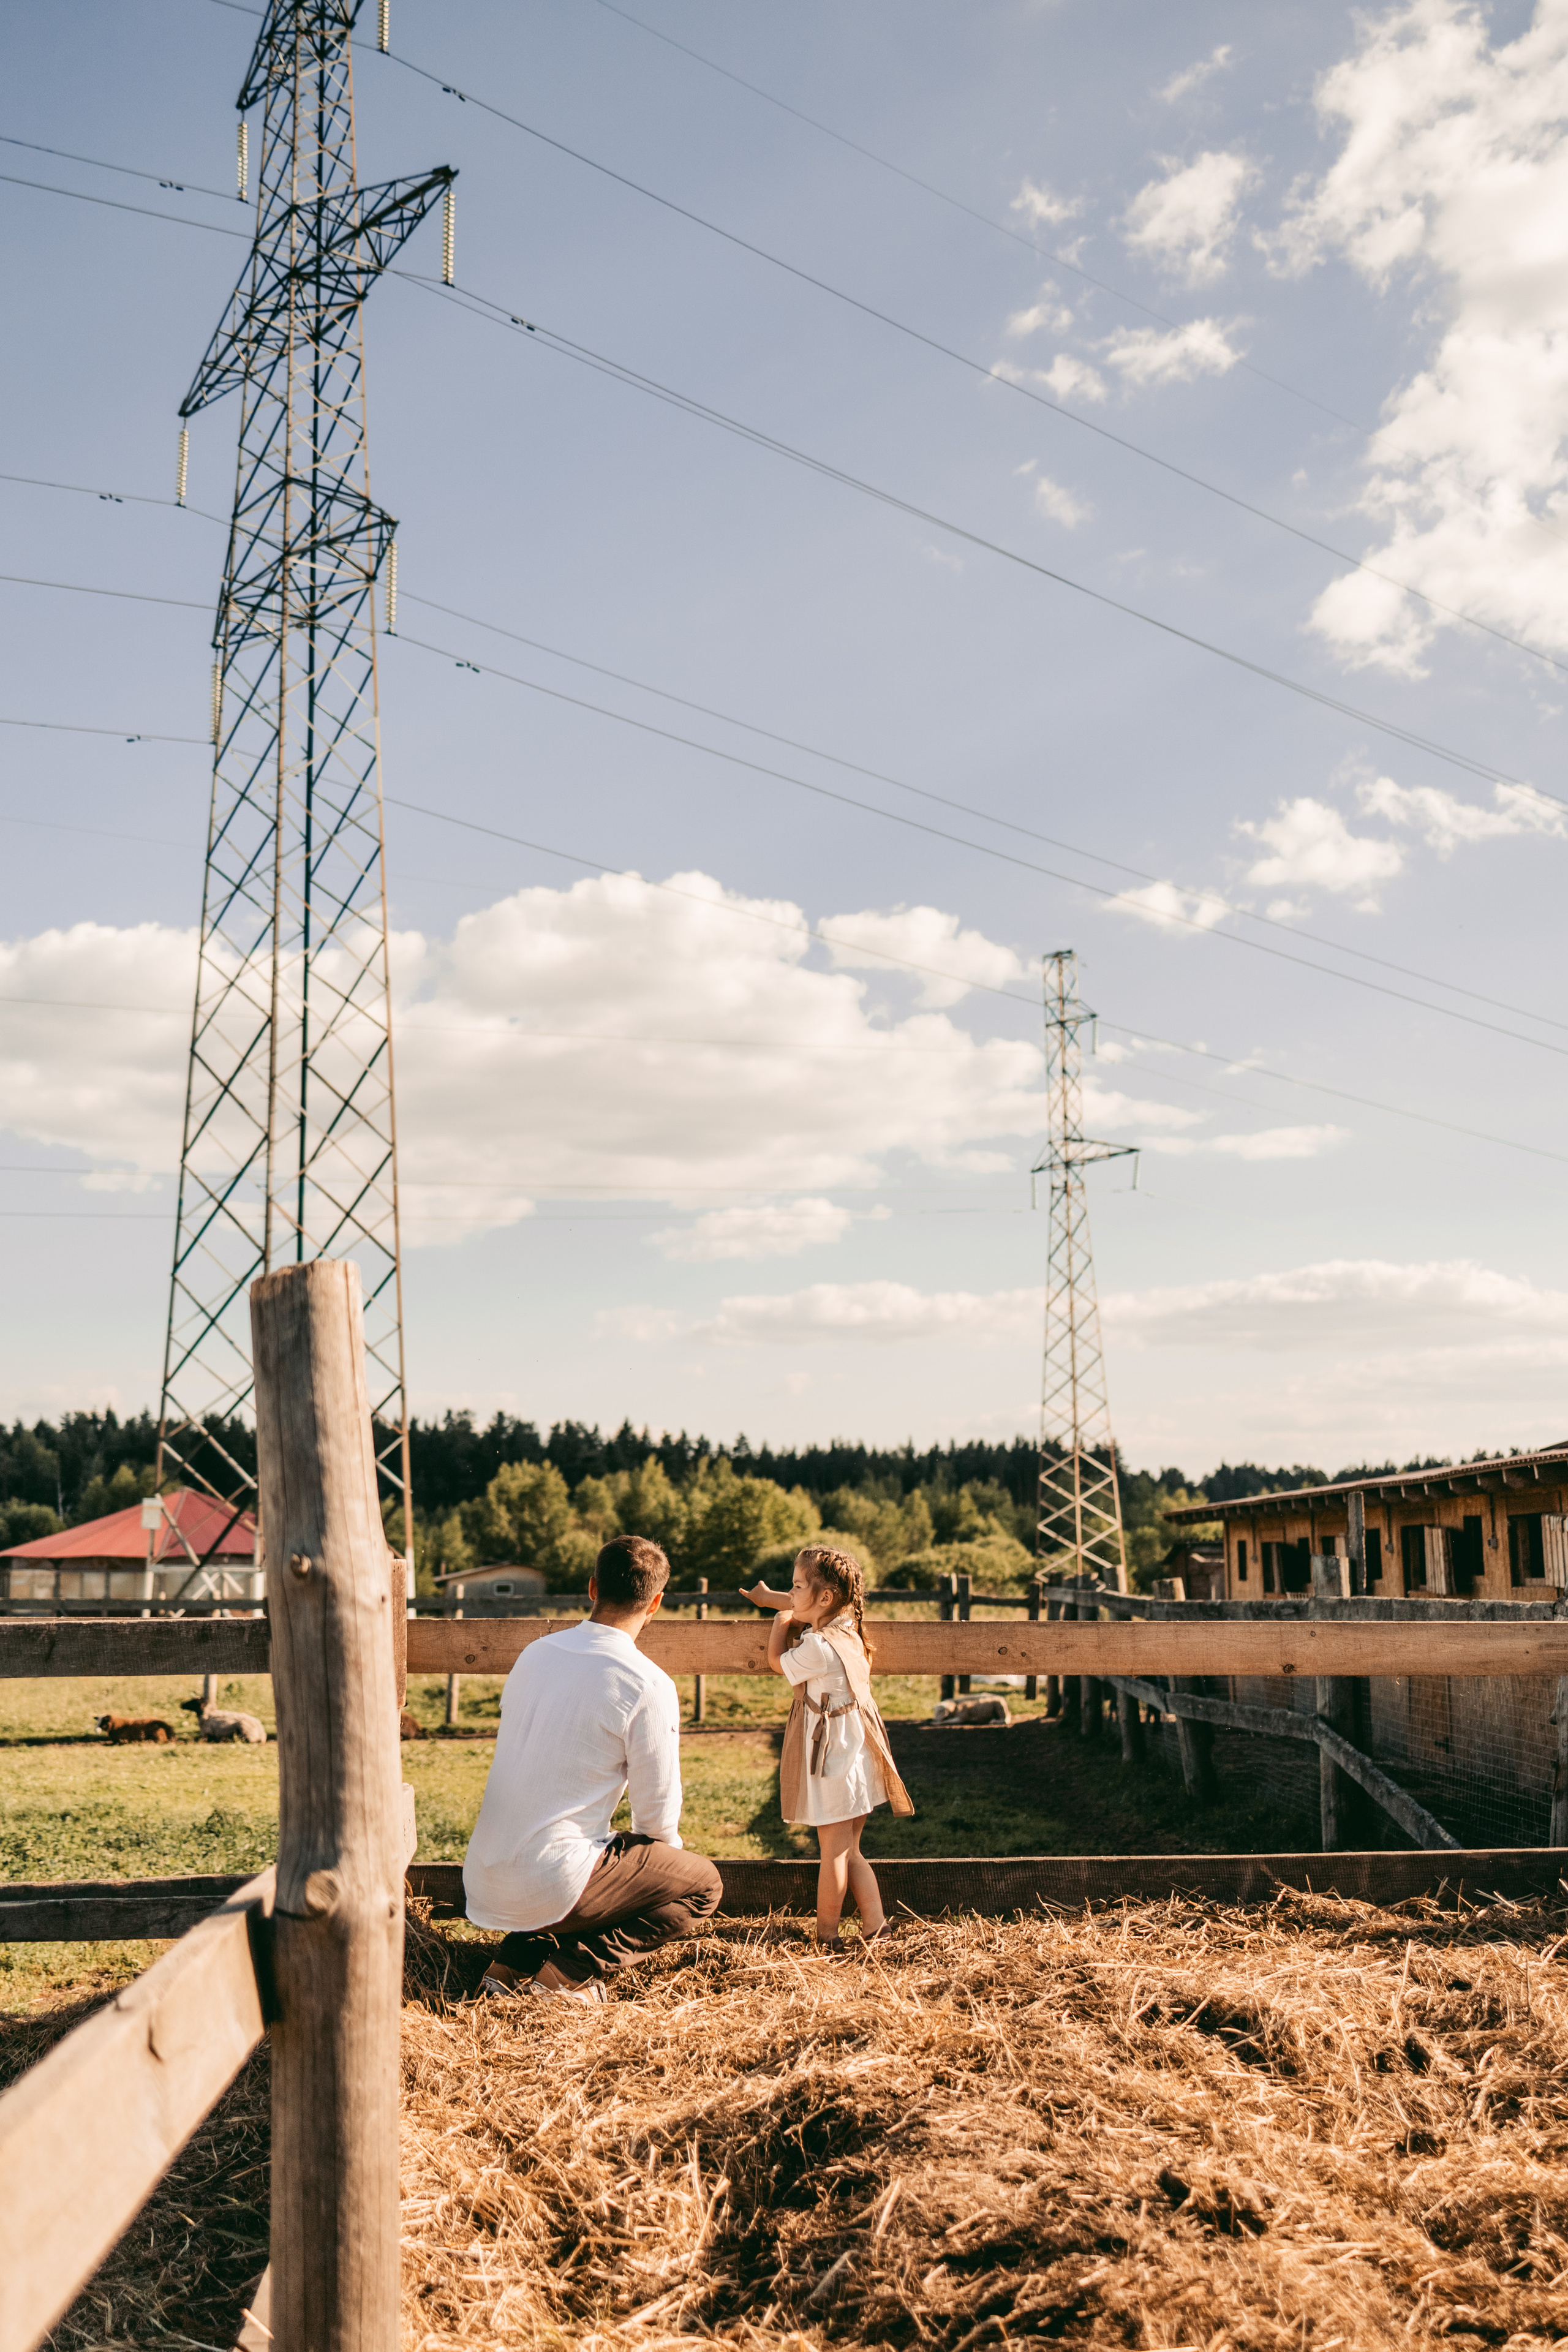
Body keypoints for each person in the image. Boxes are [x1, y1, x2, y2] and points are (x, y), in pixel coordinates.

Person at [463, 1534, 721, 2004]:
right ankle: (569, 1976)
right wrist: (651, 1878)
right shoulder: (647, 1683)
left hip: (485, 1875)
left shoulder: (535, 1655)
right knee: (702, 1884)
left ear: (592, 1587)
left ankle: (511, 1965)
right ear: (657, 1603)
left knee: (591, 1852)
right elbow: (656, 1820)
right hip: (553, 1881)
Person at [744, 1544, 913, 1955]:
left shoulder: (817, 1648)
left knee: (833, 1854)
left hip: (832, 1757)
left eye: (797, 1586)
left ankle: (828, 1936)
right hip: (854, 1754)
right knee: (851, 1849)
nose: (792, 1592)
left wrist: (778, 1622)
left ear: (824, 1598)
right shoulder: (848, 1631)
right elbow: (813, 1602)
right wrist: (773, 1599)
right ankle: (876, 1927)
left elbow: (776, 1662)